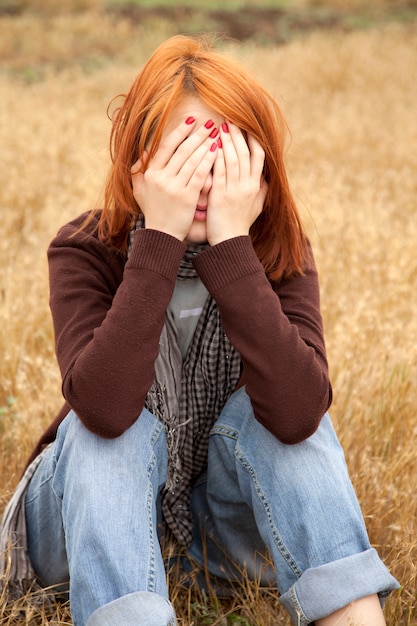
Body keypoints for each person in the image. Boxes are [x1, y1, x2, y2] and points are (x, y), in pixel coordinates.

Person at [0, 34, 399, 626]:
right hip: (86, 529)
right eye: (183, 153)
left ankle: (351, 614)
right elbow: (105, 410)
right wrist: (158, 239)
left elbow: (297, 415)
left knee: (295, 427)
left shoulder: (277, 252)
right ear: (138, 161)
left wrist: (233, 249)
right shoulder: (84, 247)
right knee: (111, 436)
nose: (205, 177)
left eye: (225, 153)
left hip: (218, 537)